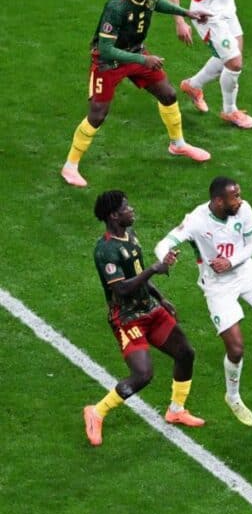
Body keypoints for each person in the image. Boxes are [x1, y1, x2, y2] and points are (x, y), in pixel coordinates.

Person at [154, 176, 252, 426]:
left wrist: (230, 262)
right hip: (218, 287)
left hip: (245, 272)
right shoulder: (196, 221)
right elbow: (163, 243)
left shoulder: (244, 209)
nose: (240, 200)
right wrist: (165, 257)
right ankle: (233, 397)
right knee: (236, 348)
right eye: (235, 197)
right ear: (219, 201)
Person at [61, 0, 212, 188]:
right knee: (97, 115)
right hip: (109, 63)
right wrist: (143, 60)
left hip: (136, 52)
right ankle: (70, 166)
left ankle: (178, 144)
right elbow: (105, 49)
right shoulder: (116, 7)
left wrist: (187, 13)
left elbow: (156, 3)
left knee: (168, 94)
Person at [84, 190, 204, 446]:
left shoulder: (130, 235)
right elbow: (121, 288)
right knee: (143, 374)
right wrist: (154, 269)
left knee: (185, 353)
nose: (132, 210)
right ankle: (96, 412)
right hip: (127, 318)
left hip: (149, 309)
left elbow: (137, 275)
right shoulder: (105, 251)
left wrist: (161, 298)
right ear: (114, 215)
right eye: (126, 208)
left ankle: (176, 410)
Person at [166, 0, 252, 129]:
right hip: (207, 13)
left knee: (231, 55)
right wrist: (180, 22)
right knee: (234, 63)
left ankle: (193, 85)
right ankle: (230, 110)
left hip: (227, 6)